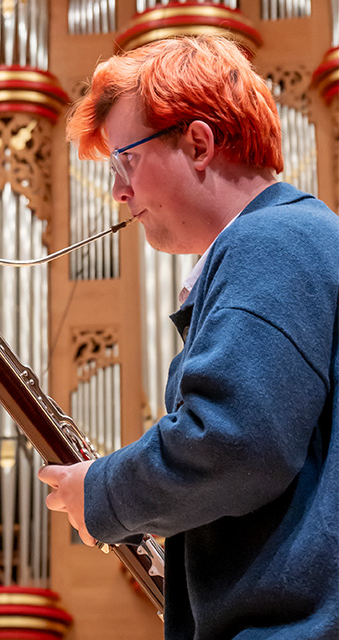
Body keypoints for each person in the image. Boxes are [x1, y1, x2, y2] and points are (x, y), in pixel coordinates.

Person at [37, 36, 338, 638]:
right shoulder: (297, 237)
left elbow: (235, 443)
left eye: (126, 161)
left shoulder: (271, 241)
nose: (119, 192)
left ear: (198, 143)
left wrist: (102, 492)